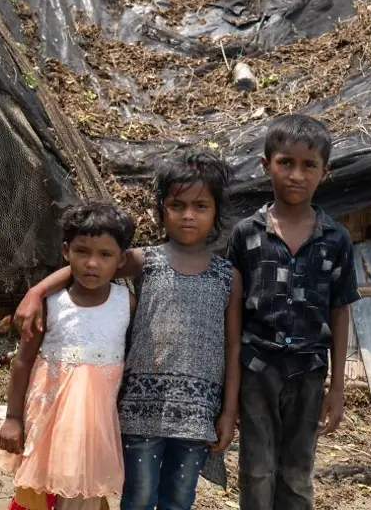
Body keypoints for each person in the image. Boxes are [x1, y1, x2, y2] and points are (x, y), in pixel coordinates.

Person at [13, 149, 243, 510]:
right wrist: (37, 291)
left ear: (216, 212)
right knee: (137, 496)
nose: (187, 215)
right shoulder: (144, 260)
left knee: (180, 498)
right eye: (177, 205)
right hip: (140, 408)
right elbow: (87, 267)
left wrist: (229, 412)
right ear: (162, 209)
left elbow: (232, 347)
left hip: (199, 411)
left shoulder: (228, 276)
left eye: (201, 206)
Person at [228, 114, 361, 510]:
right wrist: (231, 380)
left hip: (308, 372)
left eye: (309, 165)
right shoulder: (246, 233)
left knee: (298, 471)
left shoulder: (335, 238)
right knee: (256, 468)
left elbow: (340, 310)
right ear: (266, 163)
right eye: (286, 162)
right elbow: (233, 312)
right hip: (257, 368)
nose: (296, 175)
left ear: (325, 171)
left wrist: (337, 387)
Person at [0, 202, 137, 510]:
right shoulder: (51, 305)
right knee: (39, 491)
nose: (92, 263)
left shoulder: (127, 304)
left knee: (82, 491)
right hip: (47, 423)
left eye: (104, 255)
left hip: (96, 428)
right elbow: (23, 361)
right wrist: (13, 418)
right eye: (82, 251)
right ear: (65, 252)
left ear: (121, 259)